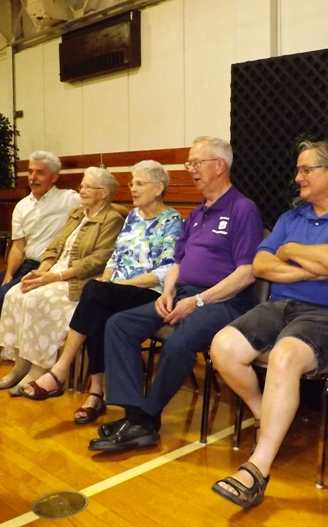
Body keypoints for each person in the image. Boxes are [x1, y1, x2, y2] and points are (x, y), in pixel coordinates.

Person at [209, 140, 328, 509]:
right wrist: (308, 270)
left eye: (306, 170)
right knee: (223, 346)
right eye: (298, 169)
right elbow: (260, 265)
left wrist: (289, 251)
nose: (298, 177)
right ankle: (268, 418)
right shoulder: (291, 218)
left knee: (285, 355)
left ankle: (257, 469)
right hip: (282, 306)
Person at [88, 136, 264, 452]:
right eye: (189, 163)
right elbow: (177, 262)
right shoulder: (197, 214)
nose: (190, 169)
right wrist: (167, 292)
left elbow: (247, 272)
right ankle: (135, 416)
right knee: (119, 325)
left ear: (219, 165)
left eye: (197, 163)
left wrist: (198, 301)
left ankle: (145, 419)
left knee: (180, 341)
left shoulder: (243, 209)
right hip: (185, 294)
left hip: (226, 301)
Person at [19, 161, 183, 424]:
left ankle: (62, 372)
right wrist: (108, 279)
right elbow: (115, 257)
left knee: (95, 293)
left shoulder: (172, 220)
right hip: (117, 290)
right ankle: (95, 393)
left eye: (140, 183)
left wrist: (117, 286)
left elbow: (166, 270)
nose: (133, 188)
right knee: (97, 303)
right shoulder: (133, 217)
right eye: (132, 183)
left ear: (158, 188)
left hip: (149, 291)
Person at [0, 167, 124, 395]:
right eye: (82, 186)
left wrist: (54, 277)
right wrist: (41, 272)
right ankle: (20, 365)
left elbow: (96, 261)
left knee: (39, 300)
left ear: (104, 193)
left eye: (88, 187)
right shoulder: (76, 214)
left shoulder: (112, 220)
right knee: (16, 293)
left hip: (79, 280)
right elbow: (55, 245)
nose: (81, 190)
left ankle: (39, 368)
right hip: (54, 272)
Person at [0, 150, 81, 324]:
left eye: (40, 173)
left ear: (54, 177)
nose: (33, 177)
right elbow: (18, 247)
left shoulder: (69, 199)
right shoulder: (22, 206)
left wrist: (124, 212)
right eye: (30, 171)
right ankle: (17, 328)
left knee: (3, 295)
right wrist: (9, 275)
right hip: (26, 265)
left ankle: (19, 329)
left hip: (49, 266)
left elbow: (102, 207)